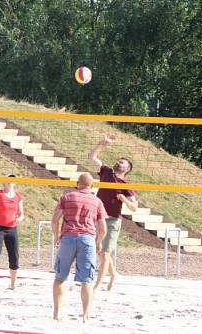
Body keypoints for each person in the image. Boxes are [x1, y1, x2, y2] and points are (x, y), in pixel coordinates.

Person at [51, 172, 107, 323]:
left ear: (77, 183)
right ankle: (85, 316)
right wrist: (99, 242)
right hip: (87, 239)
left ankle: (56, 313)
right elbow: (103, 228)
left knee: (60, 278)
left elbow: (55, 219)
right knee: (86, 280)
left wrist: (56, 236)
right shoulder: (97, 201)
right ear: (92, 185)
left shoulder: (67, 197)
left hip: (68, 238)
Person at [88, 134, 137, 291]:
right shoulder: (106, 172)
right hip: (98, 217)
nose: (118, 162)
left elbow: (134, 207)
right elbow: (92, 157)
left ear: (127, 169)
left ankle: (97, 285)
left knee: (104, 253)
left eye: (122, 163)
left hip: (113, 220)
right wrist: (103, 143)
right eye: (118, 161)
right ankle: (114, 274)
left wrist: (125, 200)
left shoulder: (126, 184)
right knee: (101, 251)